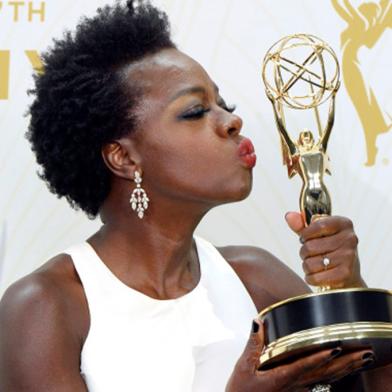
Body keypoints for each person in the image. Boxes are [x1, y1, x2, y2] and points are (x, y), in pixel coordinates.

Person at [0, 1, 391, 391]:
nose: (231, 121)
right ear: (123, 157)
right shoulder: (44, 307)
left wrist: (350, 291)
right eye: (195, 112)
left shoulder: (255, 278)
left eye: (223, 104)